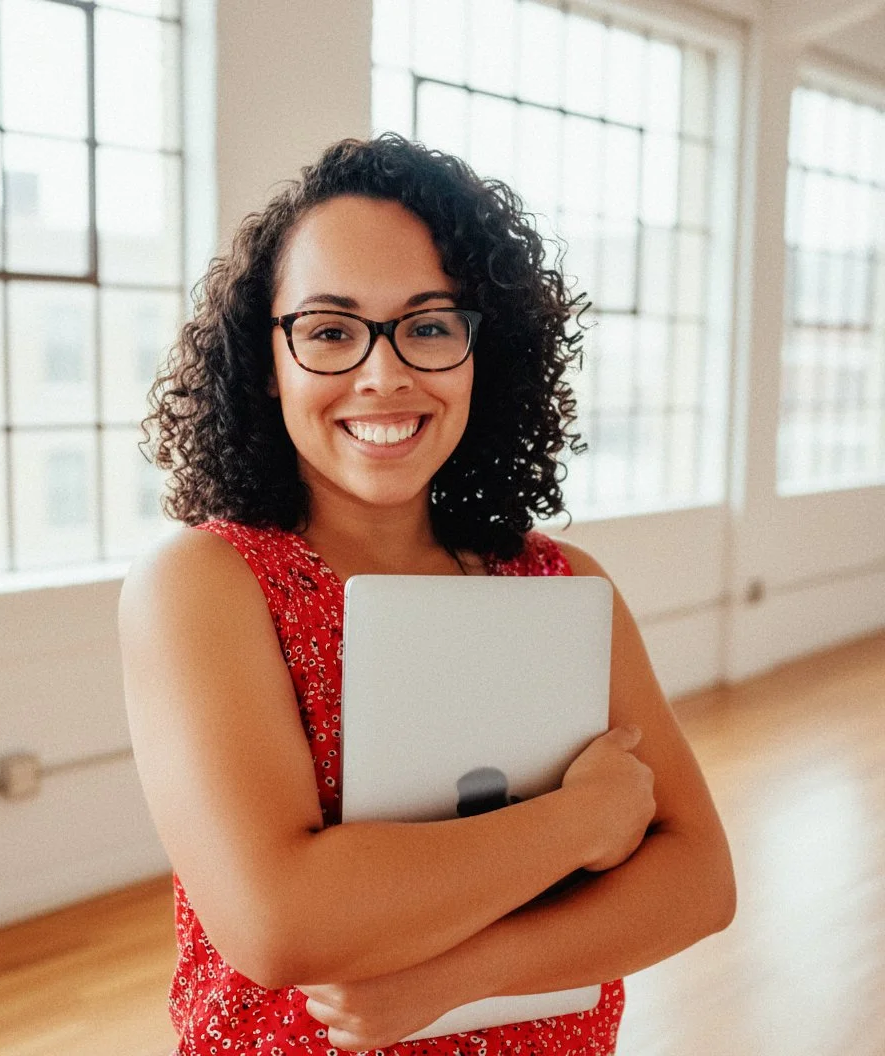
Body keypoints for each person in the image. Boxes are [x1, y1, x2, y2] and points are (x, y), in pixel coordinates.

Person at [119, 134, 735, 1056]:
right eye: (331, 331)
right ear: (267, 361)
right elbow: (279, 922)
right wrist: (582, 821)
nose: (384, 374)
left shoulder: (562, 583)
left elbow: (700, 883)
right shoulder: (204, 584)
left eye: (431, 326)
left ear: (485, 352)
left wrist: (459, 976)